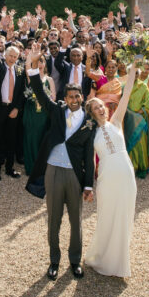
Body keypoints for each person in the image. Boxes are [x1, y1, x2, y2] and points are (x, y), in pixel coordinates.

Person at [24, 43, 97, 281]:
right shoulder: (56, 111)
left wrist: (88, 185)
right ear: (64, 98)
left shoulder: (89, 122)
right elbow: (39, 91)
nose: (74, 100)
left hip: (75, 175)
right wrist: (34, 65)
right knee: (53, 220)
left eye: (77, 96)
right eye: (70, 96)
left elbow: (88, 155)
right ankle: (54, 261)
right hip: (53, 171)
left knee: (76, 222)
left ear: (82, 97)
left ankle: (75, 261)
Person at [84, 65, 138, 278]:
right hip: (106, 177)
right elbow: (89, 162)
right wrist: (88, 186)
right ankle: (102, 258)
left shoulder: (116, 121)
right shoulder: (90, 134)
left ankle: (121, 261)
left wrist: (132, 71)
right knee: (107, 217)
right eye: (96, 107)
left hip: (125, 173)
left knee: (125, 215)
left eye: (102, 105)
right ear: (90, 112)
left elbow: (125, 95)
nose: (101, 108)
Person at [0, 42, 26, 180]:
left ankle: (9, 168)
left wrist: (17, 108)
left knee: (11, 139)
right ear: (5, 55)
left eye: (15, 57)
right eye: (10, 56)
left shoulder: (20, 70)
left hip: (12, 109)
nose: (12, 59)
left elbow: (21, 92)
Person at [22, 53, 55, 177]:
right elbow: (27, 67)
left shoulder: (49, 80)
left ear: (45, 63)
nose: (40, 64)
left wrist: (45, 97)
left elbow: (54, 97)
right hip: (31, 113)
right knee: (30, 138)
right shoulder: (31, 76)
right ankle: (30, 167)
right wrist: (31, 56)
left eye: (42, 61)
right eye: (38, 61)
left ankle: (42, 167)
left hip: (44, 115)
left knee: (42, 140)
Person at [126, 62, 149, 179]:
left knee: (141, 142)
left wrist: (140, 112)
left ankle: (142, 166)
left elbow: (147, 104)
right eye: (132, 73)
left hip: (140, 119)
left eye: (136, 73)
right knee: (129, 143)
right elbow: (122, 103)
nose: (134, 75)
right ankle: (130, 167)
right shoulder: (125, 86)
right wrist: (130, 114)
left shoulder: (143, 87)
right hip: (129, 119)